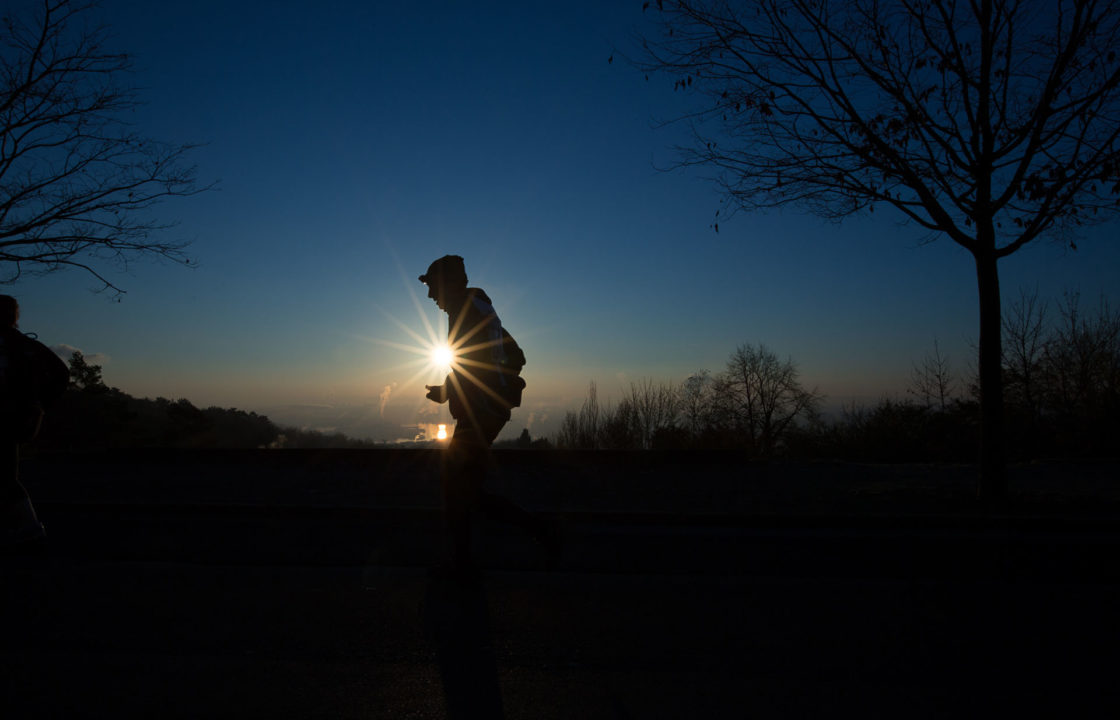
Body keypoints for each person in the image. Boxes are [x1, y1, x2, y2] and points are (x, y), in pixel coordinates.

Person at [419, 255, 557, 575]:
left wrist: (468, 391)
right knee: (464, 488)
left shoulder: (466, 312)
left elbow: (469, 362)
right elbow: (515, 356)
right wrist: (496, 387)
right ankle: (538, 533)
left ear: (450, 284)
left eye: (433, 287)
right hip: (487, 411)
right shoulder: (480, 309)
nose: (430, 296)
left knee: (457, 488)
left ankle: (463, 564)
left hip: (480, 413)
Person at [1, 295, 69, 547]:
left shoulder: (19, 346)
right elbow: (61, 374)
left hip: (10, 418)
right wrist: (40, 405)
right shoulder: (23, 345)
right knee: (6, 474)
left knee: (6, 476)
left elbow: (61, 374)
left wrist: (39, 405)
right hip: (17, 417)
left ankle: (29, 528)